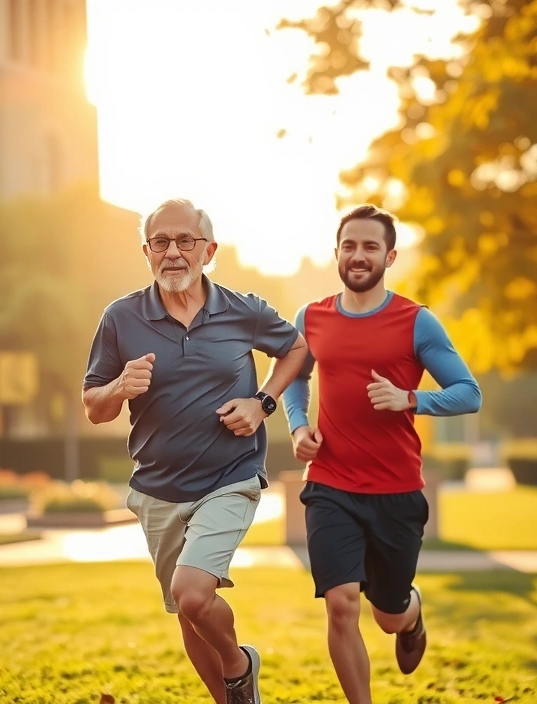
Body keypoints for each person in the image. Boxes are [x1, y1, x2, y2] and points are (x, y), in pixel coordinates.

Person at [82, 198, 308, 704]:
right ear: (146, 252)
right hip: (157, 488)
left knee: (191, 592)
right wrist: (119, 387)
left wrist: (263, 403)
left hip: (230, 476)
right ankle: (233, 697)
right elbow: (94, 406)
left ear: (209, 250)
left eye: (186, 241)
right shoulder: (121, 318)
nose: (174, 252)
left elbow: (297, 348)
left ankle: (238, 664)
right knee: (188, 613)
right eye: (161, 242)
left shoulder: (243, 310)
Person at [282, 204, 481, 704]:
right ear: (336, 253)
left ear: (390, 256)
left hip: (395, 491)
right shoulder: (312, 317)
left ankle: (410, 614)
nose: (358, 255)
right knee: (341, 605)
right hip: (329, 483)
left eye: (370, 246)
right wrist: (298, 425)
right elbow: (294, 379)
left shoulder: (417, 321)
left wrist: (410, 398)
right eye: (349, 245)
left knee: (386, 616)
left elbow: (469, 392)